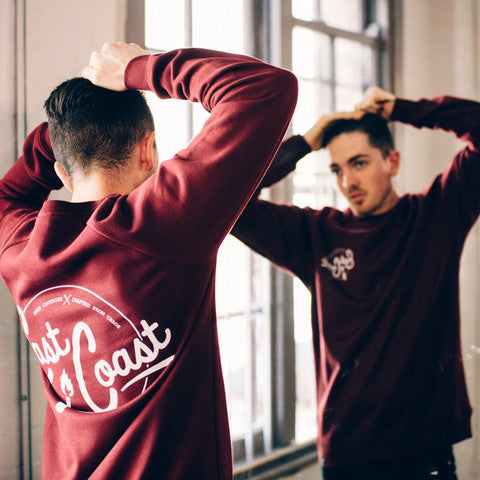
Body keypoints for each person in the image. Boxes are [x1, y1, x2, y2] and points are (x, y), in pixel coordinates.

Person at [0, 42, 297, 479]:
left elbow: (8, 193)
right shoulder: (162, 226)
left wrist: (64, 131)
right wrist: (138, 69)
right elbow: (264, 88)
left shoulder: (20, 250)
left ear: (61, 171)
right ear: (149, 150)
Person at [232, 86, 480, 480]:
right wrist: (304, 143)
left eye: (359, 163)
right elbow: (228, 200)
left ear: (392, 162)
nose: (348, 181)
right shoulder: (316, 234)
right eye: (337, 169)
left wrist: (402, 109)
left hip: (424, 452)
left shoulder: (436, 217)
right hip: (348, 456)